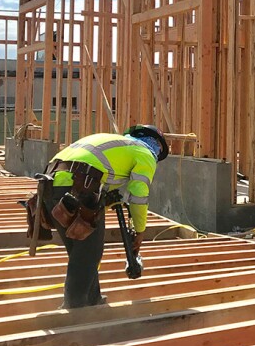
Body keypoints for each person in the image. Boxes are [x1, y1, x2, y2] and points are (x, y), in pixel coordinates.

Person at [42, 124, 169, 309]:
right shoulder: (144, 152)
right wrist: (140, 232)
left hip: (50, 185)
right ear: (157, 145)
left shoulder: (115, 144)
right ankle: (75, 310)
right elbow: (139, 196)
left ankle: (92, 301)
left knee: (82, 250)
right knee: (88, 252)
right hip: (79, 185)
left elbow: (102, 179)